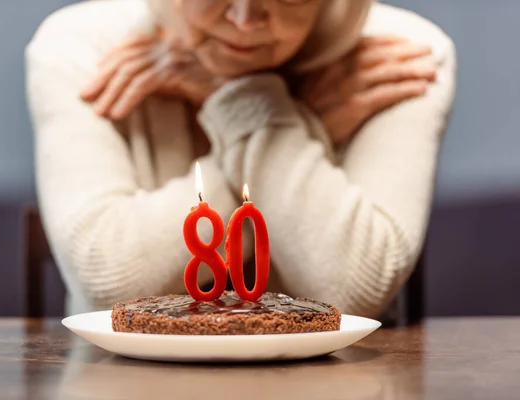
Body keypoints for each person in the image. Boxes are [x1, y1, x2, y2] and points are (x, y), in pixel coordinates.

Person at [25, 0, 456, 318]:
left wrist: (236, 101)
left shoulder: (405, 54)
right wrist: (300, 126)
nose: (245, 21)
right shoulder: (78, 44)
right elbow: (111, 281)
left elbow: (353, 288)